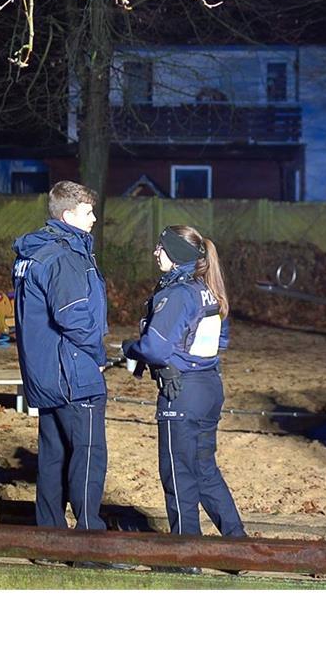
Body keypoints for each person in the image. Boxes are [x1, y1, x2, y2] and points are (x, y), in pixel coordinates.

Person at [122, 225, 246, 538]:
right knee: (205, 471)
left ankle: (186, 553)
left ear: (176, 253)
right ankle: (237, 543)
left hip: (182, 394)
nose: (155, 253)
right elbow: (222, 341)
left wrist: (130, 349)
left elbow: (155, 347)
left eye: (160, 247)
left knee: (178, 475)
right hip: (209, 388)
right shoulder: (209, 290)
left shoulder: (177, 294)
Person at [12, 180, 109, 531]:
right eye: (87, 212)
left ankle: (50, 537)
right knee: (88, 456)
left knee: (53, 457)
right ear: (68, 215)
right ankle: (88, 539)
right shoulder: (64, 256)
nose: (94, 218)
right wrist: (97, 353)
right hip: (75, 375)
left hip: (46, 375)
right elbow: (73, 315)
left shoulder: (33, 254)